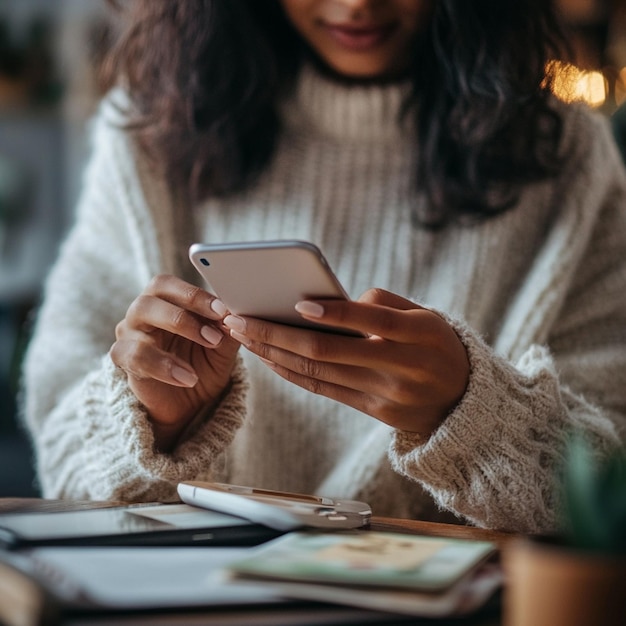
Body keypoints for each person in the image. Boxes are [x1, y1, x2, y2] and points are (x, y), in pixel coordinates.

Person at [22, 0, 626, 533]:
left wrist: (469, 412)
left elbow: (609, 487)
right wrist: (159, 421)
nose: (357, 5)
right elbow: (62, 467)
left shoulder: (565, 159)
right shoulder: (148, 133)